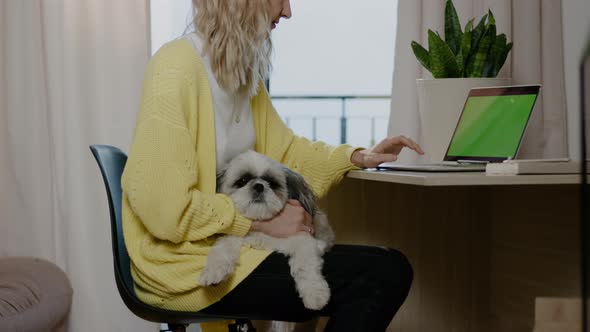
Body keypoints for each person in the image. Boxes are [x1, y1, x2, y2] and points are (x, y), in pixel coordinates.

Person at [121, 0, 424, 331]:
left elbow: (287, 153)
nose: (288, 11)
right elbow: (165, 209)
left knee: (384, 269)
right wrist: (258, 224)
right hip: (180, 266)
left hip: (227, 249)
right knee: (381, 274)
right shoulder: (175, 67)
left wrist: (355, 156)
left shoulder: (240, 74)